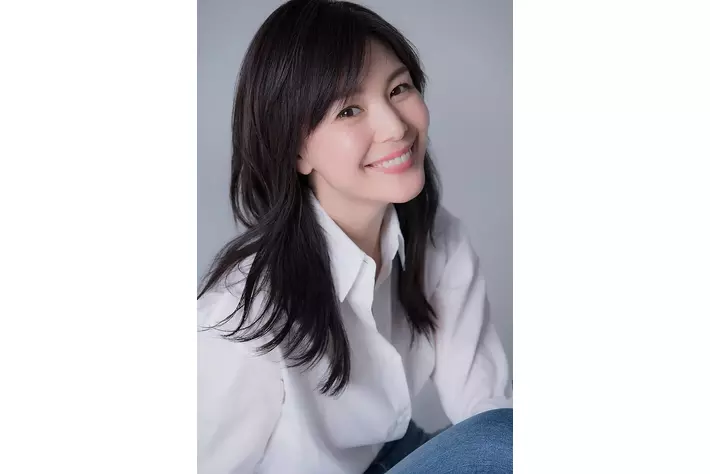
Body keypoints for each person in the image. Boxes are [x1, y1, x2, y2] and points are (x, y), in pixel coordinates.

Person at [197, 0, 513, 472]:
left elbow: (485, 406)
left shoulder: (435, 238)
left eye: (399, 88)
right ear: (297, 151)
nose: (395, 127)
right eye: (349, 110)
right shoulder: (243, 312)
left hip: (386, 451)